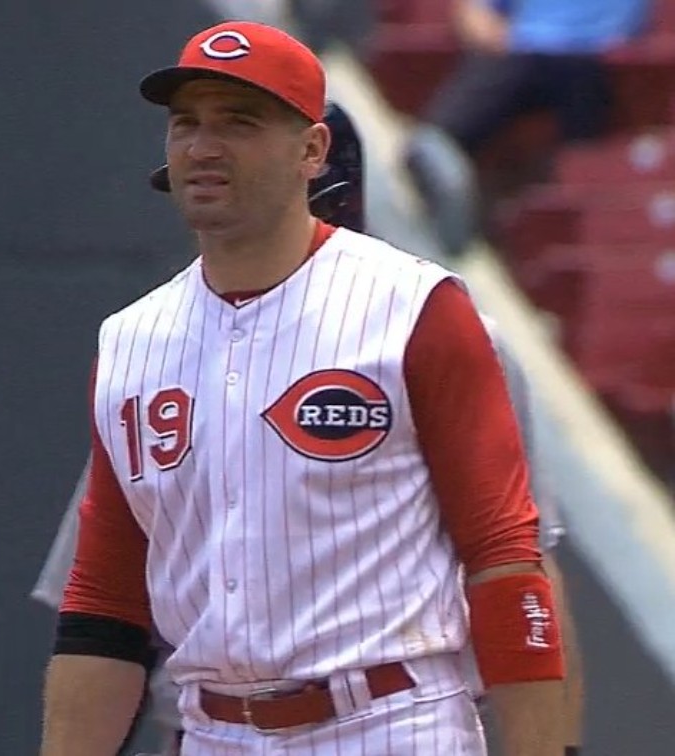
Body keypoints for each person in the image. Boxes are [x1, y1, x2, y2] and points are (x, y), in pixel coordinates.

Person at [40, 21, 567, 756]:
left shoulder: (414, 307)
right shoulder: (132, 338)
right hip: (213, 731)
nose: (203, 145)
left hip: (390, 721)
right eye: (186, 123)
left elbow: (505, 558)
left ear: (312, 151)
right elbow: (104, 602)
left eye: (240, 122)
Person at [405, 0, 652, 255]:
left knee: (579, 158)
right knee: (441, 135)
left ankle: (548, 219)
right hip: (520, 53)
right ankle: (448, 182)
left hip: (589, 68)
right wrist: (492, 33)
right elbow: (477, 14)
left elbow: (631, 36)